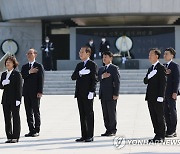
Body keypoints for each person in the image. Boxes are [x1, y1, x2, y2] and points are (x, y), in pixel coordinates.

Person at [71, 46, 98, 142]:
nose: (80, 54)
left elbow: (95, 79)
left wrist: (92, 91)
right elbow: (73, 77)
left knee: (89, 114)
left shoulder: (92, 64)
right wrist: (80, 73)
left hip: (88, 93)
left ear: (88, 53)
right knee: (82, 115)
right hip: (79, 93)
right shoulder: (79, 65)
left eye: (82, 52)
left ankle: (90, 135)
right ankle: (84, 135)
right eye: (80, 52)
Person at [144, 48, 167, 143]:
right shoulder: (150, 68)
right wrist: (149, 76)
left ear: (156, 56)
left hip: (158, 97)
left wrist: (161, 96)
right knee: (153, 116)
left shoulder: (161, 67)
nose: (149, 56)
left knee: (159, 116)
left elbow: (163, 83)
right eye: (149, 55)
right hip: (150, 97)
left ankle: (161, 135)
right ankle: (157, 134)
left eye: (151, 54)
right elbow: (145, 81)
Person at [21, 48, 44, 137]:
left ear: (35, 55)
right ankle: (31, 130)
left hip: (35, 93)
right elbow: (23, 76)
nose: (29, 55)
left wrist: (40, 91)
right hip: (26, 92)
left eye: (31, 53)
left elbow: (41, 79)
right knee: (28, 112)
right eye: (28, 53)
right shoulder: (25, 67)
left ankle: (36, 130)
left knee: (36, 111)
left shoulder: (39, 66)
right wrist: (29, 72)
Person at [0, 56, 22, 143]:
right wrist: (3, 83)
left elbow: (19, 88)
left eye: (9, 62)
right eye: (6, 62)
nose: (7, 64)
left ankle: (15, 137)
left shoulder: (17, 74)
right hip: (5, 99)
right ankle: (9, 136)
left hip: (14, 99)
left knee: (16, 118)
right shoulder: (4, 74)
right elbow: (1, 86)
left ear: (14, 64)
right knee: (7, 118)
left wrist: (18, 99)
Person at [98, 51, 120, 136]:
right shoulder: (101, 69)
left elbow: (117, 81)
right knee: (105, 113)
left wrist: (116, 93)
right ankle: (107, 129)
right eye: (103, 57)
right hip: (103, 94)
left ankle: (113, 130)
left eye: (106, 57)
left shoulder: (114, 68)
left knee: (111, 112)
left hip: (111, 94)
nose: (104, 58)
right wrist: (102, 76)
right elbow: (97, 78)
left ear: (111, 58)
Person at [163, 47, 180, 138]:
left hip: (171, 92)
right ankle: (168, 129)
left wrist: (175, 92)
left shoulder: (174, 66)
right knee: (165, 111)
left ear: (172, 55)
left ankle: (173, 130)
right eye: (164, 54)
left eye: (167, 54)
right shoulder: (163, 66)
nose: (165, 55)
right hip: (164, 93)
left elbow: (177, 80)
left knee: (172, 111)